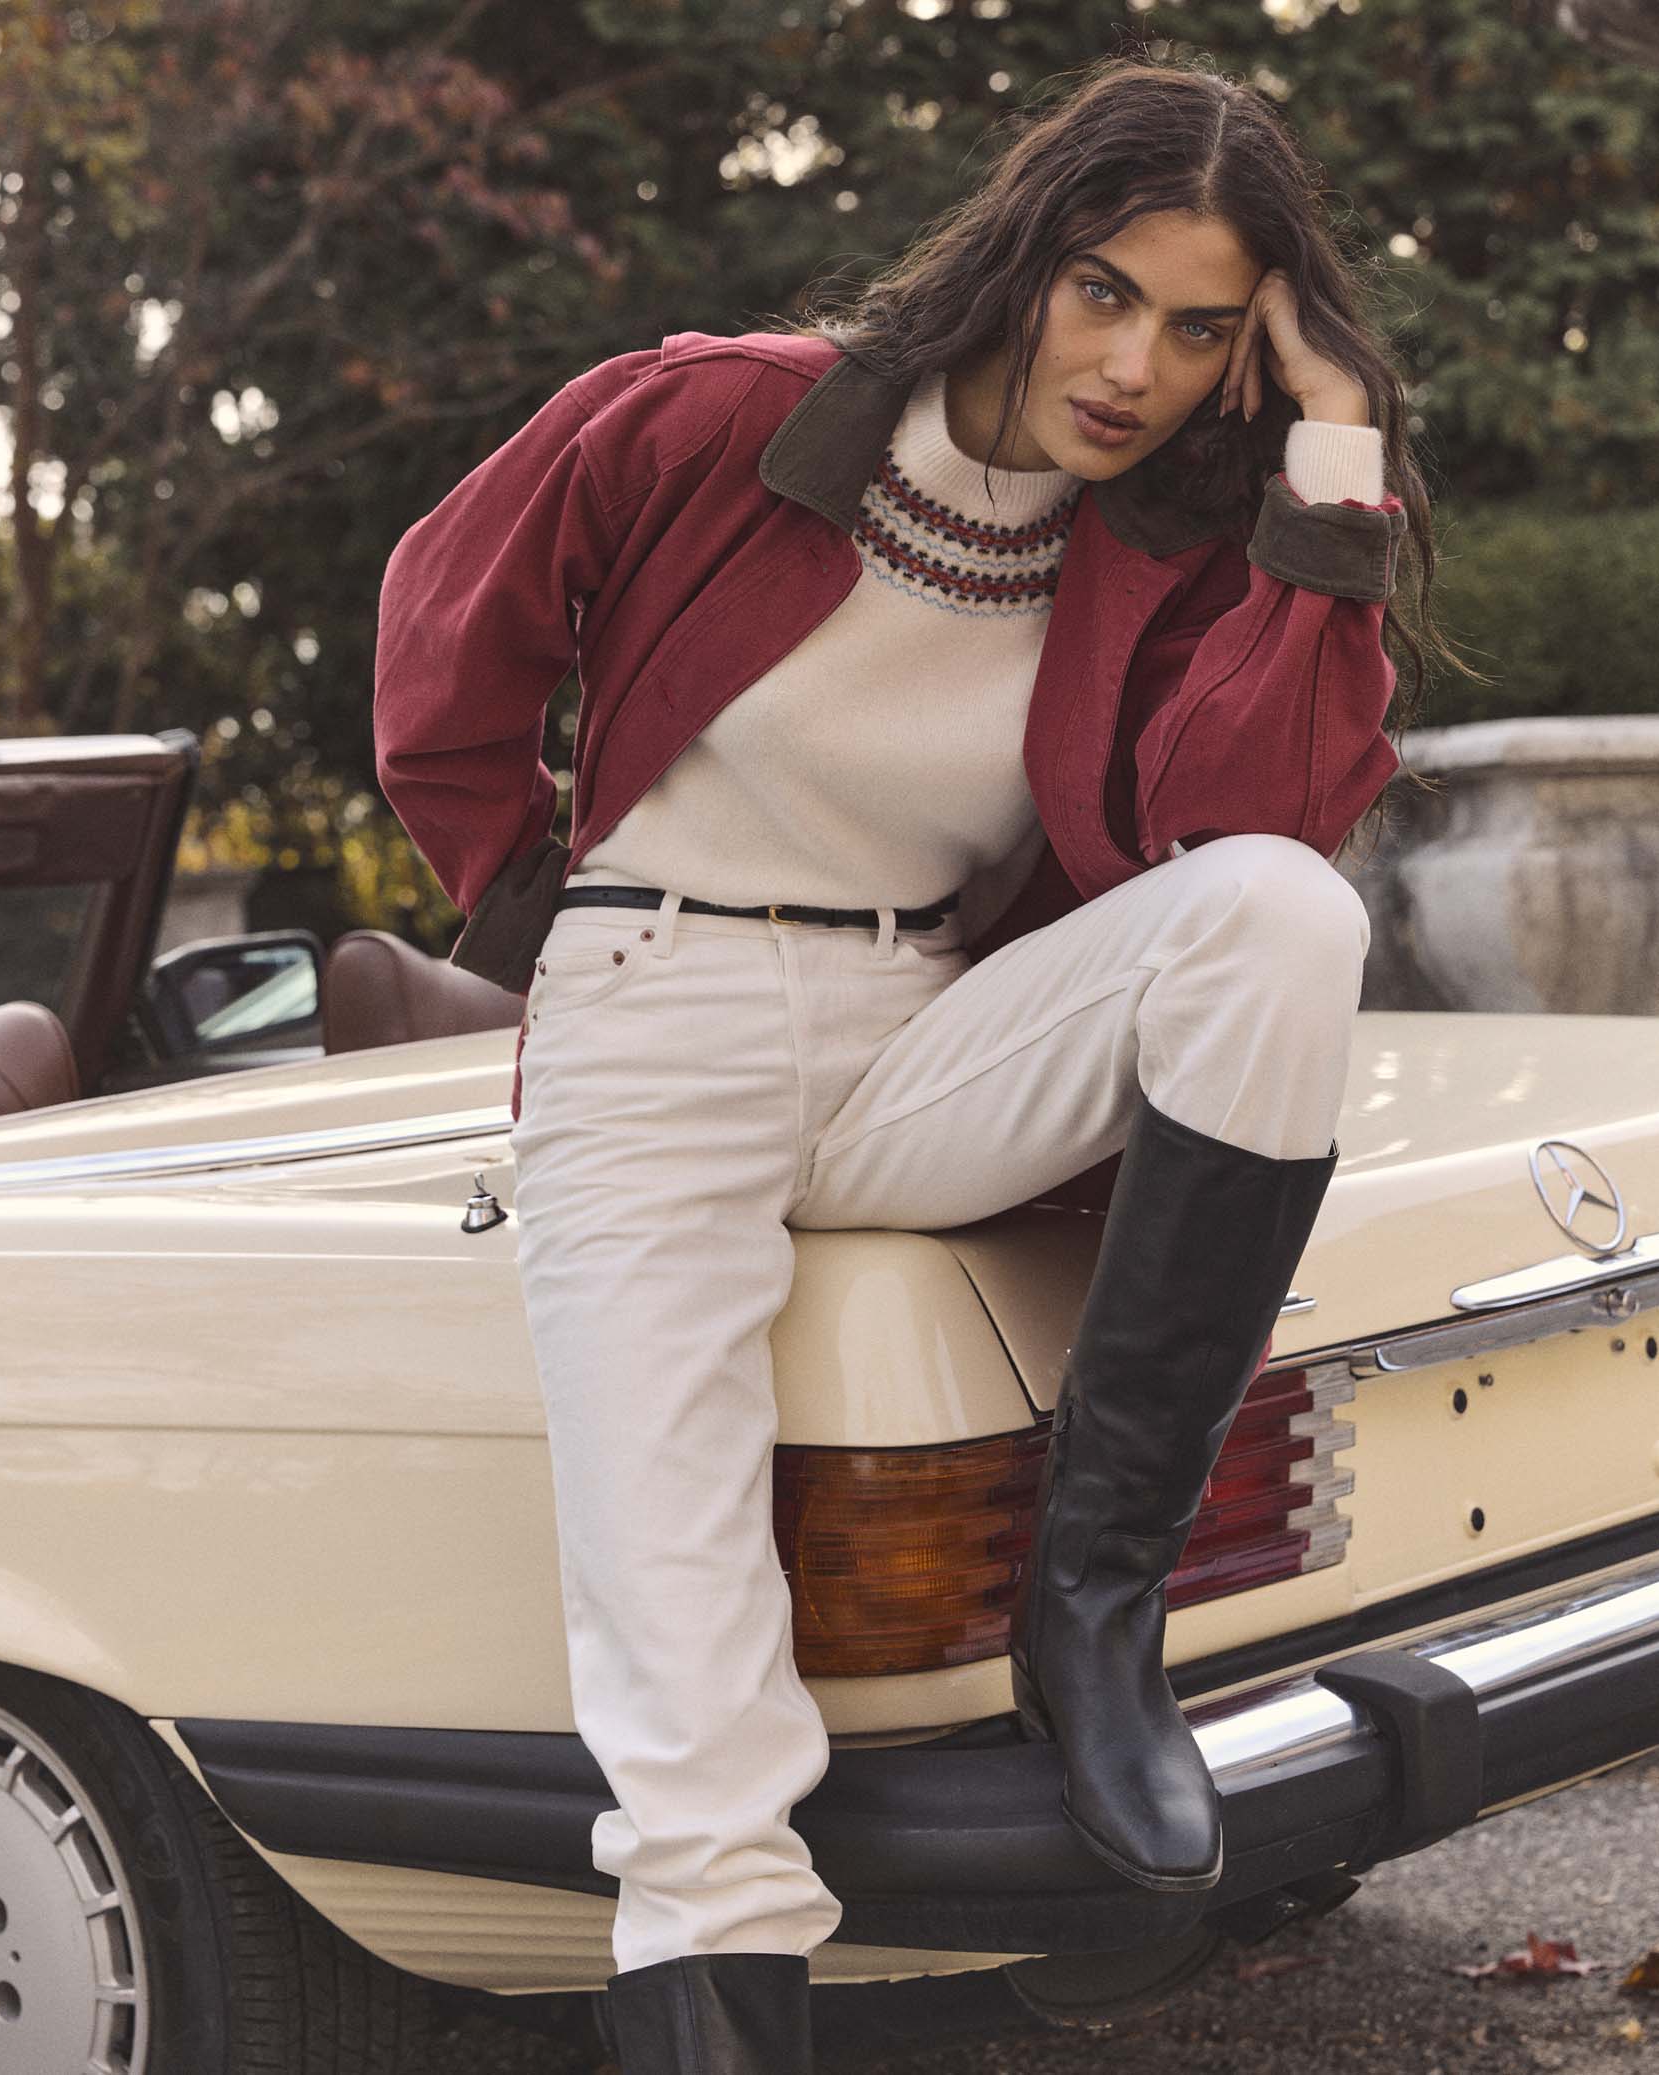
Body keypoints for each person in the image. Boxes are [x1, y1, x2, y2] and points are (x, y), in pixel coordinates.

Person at [373, 51, 1475, 2075]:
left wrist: (1334, 460)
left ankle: (1098, 1609)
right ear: (1029, 254)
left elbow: (1265, 813)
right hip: (657, 1015)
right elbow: (447, 620)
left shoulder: (1163, 541)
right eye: (1106, 292)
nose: (1134, 366)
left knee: (1280, 917)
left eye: (1201, 329)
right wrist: (537, 910)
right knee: (684, 1656)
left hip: (923, 1031)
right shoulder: (726, 414)